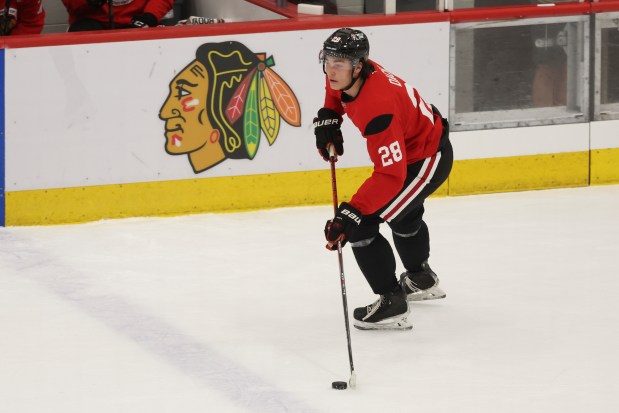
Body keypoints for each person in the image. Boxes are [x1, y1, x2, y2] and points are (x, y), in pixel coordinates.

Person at [314, 28, 453, 330]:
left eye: (339, 63)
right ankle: (421, 279)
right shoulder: (352, 72)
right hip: (420, 150)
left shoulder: (379, 108)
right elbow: (334, 89)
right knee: (403, 215)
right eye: (327, 60)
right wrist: (329, 115)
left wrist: (352, 210)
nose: (331, 69)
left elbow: (391, 175)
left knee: (361, 224)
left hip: (426, 160)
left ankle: (392, 303)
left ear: (358, 66)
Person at [62, 0, 173, 32]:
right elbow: (71, 4)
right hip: (93, 22)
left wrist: (150, 16)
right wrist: (87, 2)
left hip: (137, 21)